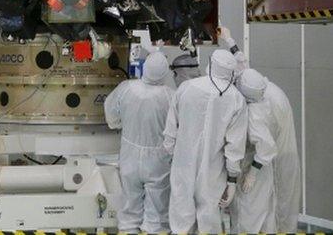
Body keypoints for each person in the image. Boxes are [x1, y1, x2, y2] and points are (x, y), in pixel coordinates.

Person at [164, 49, 247, 233]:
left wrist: (172, 153)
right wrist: (232, 180)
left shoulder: (187, 87)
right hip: (213, 167)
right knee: (209, 214)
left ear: (211, 63)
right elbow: (235, 144)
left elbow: (171, 128)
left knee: (180, 212)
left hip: (183, 162)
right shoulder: (236, 98)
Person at [104, 52, 175, 233]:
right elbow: (177, 129)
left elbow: (111, 114)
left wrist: (120, 124)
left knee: (129, 209)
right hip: (158, 160)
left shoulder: (127, 88)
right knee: (157, 215)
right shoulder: (169, 96)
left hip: (130, 156)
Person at [233, 68, 301, 232]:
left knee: (249, 215)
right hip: (264, 169)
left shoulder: (254, 114)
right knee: (265, 215)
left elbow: (266, 149)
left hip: (255, 170)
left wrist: (252, 174)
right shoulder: (264, 99)